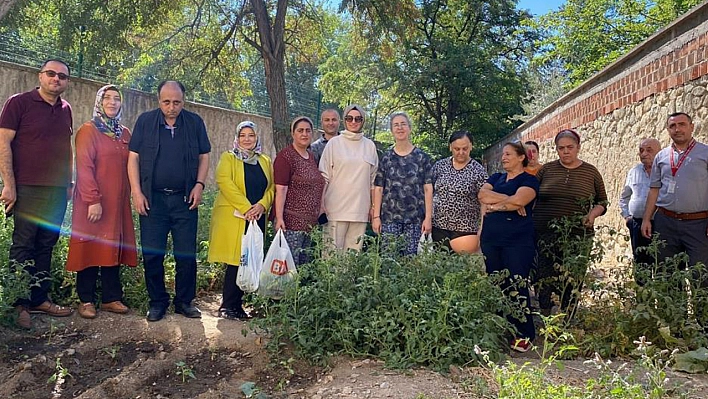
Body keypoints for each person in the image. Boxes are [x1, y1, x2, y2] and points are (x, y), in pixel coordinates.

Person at [128, 80, 211, 322]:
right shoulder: (145, 121)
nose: (171, 107)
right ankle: (157, 302)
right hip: (152, 201)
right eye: (166, 102)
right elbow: (133, 158)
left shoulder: (194, 123)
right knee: (152, 254)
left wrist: (199, 185)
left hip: (185, 200)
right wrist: (136, 191)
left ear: (184, 102)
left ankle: (184, 302)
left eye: (177, 102)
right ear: (158, 101)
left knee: (186, 254)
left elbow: (204, 156)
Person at [0, 59, 74, 328]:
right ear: (40, 76)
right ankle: (19, 304)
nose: (56, 79)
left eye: (62, 76)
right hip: (27, 188)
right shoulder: (18, 103)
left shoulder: (66, 109)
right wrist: (9, 184)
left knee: (46, 245)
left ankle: (40, 298)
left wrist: (68, 183)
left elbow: (66, 150)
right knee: (23, 246)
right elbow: (3, 142)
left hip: (56, 192)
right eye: (51, 74)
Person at [66, 85, 138, 319]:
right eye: (107, 98)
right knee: (89, 247)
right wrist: (92, 200)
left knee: (112, 246)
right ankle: (86, 299)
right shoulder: (88, 131)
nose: (112, 102)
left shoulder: (124, 133)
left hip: (117, 205)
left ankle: (110, 298)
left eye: (117, 99)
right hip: (93, 202)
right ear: (99, 102)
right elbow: (84, 167)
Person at [533, 129, 608, 316]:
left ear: (578, 148)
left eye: (570, 147)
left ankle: (568, 316)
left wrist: (592, 215)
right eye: (561, 148)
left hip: (577, 235)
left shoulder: (591, 172)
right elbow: (530, 194)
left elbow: (602, 202)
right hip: (544, 234)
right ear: (556, 150)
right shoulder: (546, 170)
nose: (566, 151)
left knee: (573, 276)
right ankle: (545, 315)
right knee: (544, 274)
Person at [208, 121, 273, 320]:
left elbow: (272, 188)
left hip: (256, 218)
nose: (247, 139)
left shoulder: (265, 160)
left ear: (256, 138)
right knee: (236, 260)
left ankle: (239, 305)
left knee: (249, 260)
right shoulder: (228, 158)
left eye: (251, 135)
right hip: (235, 217)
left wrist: (262, 205)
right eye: (243, 135)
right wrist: (246, 208)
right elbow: (224, 182)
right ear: (237, 138)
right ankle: (228, 305)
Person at [479, 142, 539, 353]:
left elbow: (521, 199)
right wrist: (511, 202)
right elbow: (482, 196)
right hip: (491, 240)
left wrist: (497, 206)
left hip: (517, 242)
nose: (503, 157)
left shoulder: (529, 180)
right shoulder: (495, 178)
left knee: (517, 283)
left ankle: (524, 333)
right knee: (496, 284)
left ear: (521, 157)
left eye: (508, 154)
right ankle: (502, 331)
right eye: (503, 154)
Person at [641, 113, 708, 270]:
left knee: (700, 275)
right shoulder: (661, 156)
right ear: (668, 130)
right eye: (672, 126)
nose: (677, 129)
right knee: (667, 272)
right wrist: (646, 219)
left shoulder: (705, 153)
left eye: (682, 124)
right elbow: (654, 189)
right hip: (666, 223)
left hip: (698, 224)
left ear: (692, 127)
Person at [372, 111, 433, 255]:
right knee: (389, 262)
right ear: (392, 130)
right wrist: (376, 217)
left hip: (415, 219)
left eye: (403, 124)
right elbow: (379, 188)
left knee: (411, 265)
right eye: (396, 125)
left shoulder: (422, 158)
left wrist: (428, 218)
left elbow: (428, 189)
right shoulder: (386, 158)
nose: (400, 128)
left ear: (409, 128)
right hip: (389, 219)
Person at [319, 104, 378, 251]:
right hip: (335, 210)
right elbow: (323, 176)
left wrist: (373, 208)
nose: (353, 121)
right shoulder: (334, 143)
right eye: (349, 118)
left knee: (352, 259)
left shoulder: (370, 146)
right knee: (331, 257)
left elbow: (373, 181)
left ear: (363, 121)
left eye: (358, 118)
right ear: (344, 120)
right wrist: (321, 205)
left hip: (360, 211)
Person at [274, 116, 325, 265]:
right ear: (293, 133)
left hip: (308, 225)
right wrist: (279, 218)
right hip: (291, 224)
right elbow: (281, 190)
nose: (304, 134)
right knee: (288, 269)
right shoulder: (286, 156)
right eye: (300, 130)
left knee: (301, 271)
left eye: (308, 131)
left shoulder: (310, 157)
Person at [431, 130, 488, 253]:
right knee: (440, 266)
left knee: (462, 268)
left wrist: (482, 227)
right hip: (439, 226)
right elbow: (429, 191)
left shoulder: (478, 171)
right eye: (457, 149)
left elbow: (485, 200)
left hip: (465, 230)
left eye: (465, 149)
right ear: (450, 147)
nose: (461, 152)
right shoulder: (440, 166)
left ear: (471, 147)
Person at [619, 138, 661, 279]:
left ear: (659, 152)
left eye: (649, 150)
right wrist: (627, 217)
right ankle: (643, 299)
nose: (644, 154)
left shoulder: (665, 171)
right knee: (641, 263)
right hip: (637, 224)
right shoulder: (634, 171)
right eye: (641, 150)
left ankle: (663, 298)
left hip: (661, 225)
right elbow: (625, 196)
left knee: (661, 263)